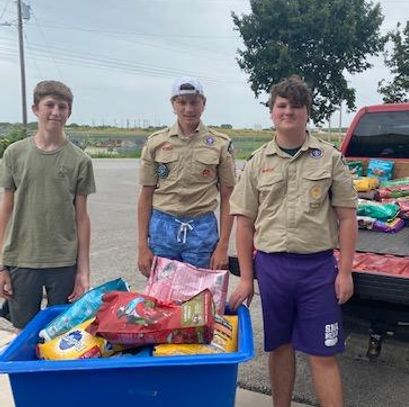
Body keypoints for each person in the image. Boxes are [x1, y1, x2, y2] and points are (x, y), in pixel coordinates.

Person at [228, 75, 358, 407]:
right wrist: (246, 277)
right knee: (280, 347)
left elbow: (346, 218)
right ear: (272, 112)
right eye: (281, 105)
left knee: (322, 353)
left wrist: (344, 272)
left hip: (317, 270)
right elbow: (243, 224)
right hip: (272, 268)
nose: (288, 112)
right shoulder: (258, 162)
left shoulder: (329, 158)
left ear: (307, 113)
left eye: (296, 106)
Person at [0, 80, 95, 332]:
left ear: (69, 112)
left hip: (63, 261)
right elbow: (6, 210)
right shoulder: (14, 154)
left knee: (62, 332)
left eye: (62, 107)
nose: (55, 112)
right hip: (22, 259)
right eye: (49, 105)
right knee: (25, 332)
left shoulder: (80, 160)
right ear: (35, 109)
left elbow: (82, 218)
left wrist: (83, 271)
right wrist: (1, 264)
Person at [137, 76, 235, 275]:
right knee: (162, 296)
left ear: (203, 104)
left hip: (201, 228)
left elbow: (228, 197)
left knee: (199, 296)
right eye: (182, 102)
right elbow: (146, 195)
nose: (188, 109)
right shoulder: (156, 143)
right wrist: (142, 246)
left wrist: (223, 246)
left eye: (194, 102)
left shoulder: (220, 144)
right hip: (162, 227)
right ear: (173, 104)